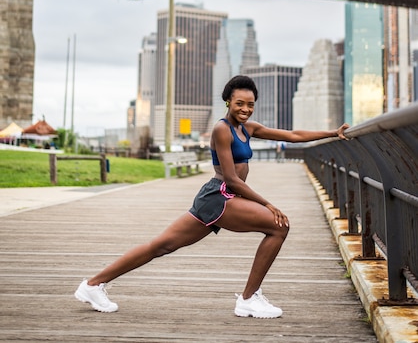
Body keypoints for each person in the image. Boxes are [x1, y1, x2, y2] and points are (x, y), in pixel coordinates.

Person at [75, 75, 349, 318]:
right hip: (220, 196)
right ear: (227, 102)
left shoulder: (249, 128)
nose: (245, 109)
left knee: (162, 245)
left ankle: (93, 285)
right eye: (239, 103)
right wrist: (267, 204)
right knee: (279, 225)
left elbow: (291, 135)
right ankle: (248, 299)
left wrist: (332, 133)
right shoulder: (221, 129)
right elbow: (230, 178)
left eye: (250, 104)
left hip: (218, 198)